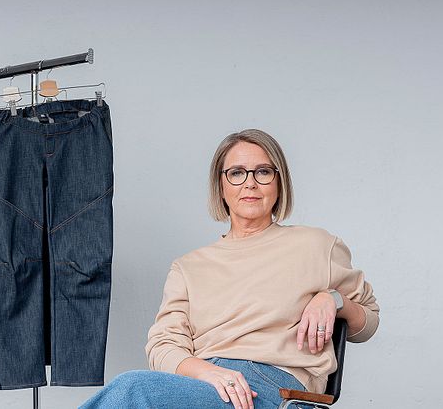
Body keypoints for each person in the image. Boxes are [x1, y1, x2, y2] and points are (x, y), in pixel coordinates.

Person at [79, 129, 379, 409]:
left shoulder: (316, 246)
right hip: (206, 381)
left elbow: (368, 322)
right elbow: (163, 346)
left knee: (132, 390)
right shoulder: (188, 267)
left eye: (262, 172)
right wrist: (208, 373)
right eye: (236, 173)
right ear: (221, 186)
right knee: (136, 391)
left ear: (279, 181)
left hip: (275, 389)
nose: (250, 183)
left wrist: (333, 299)